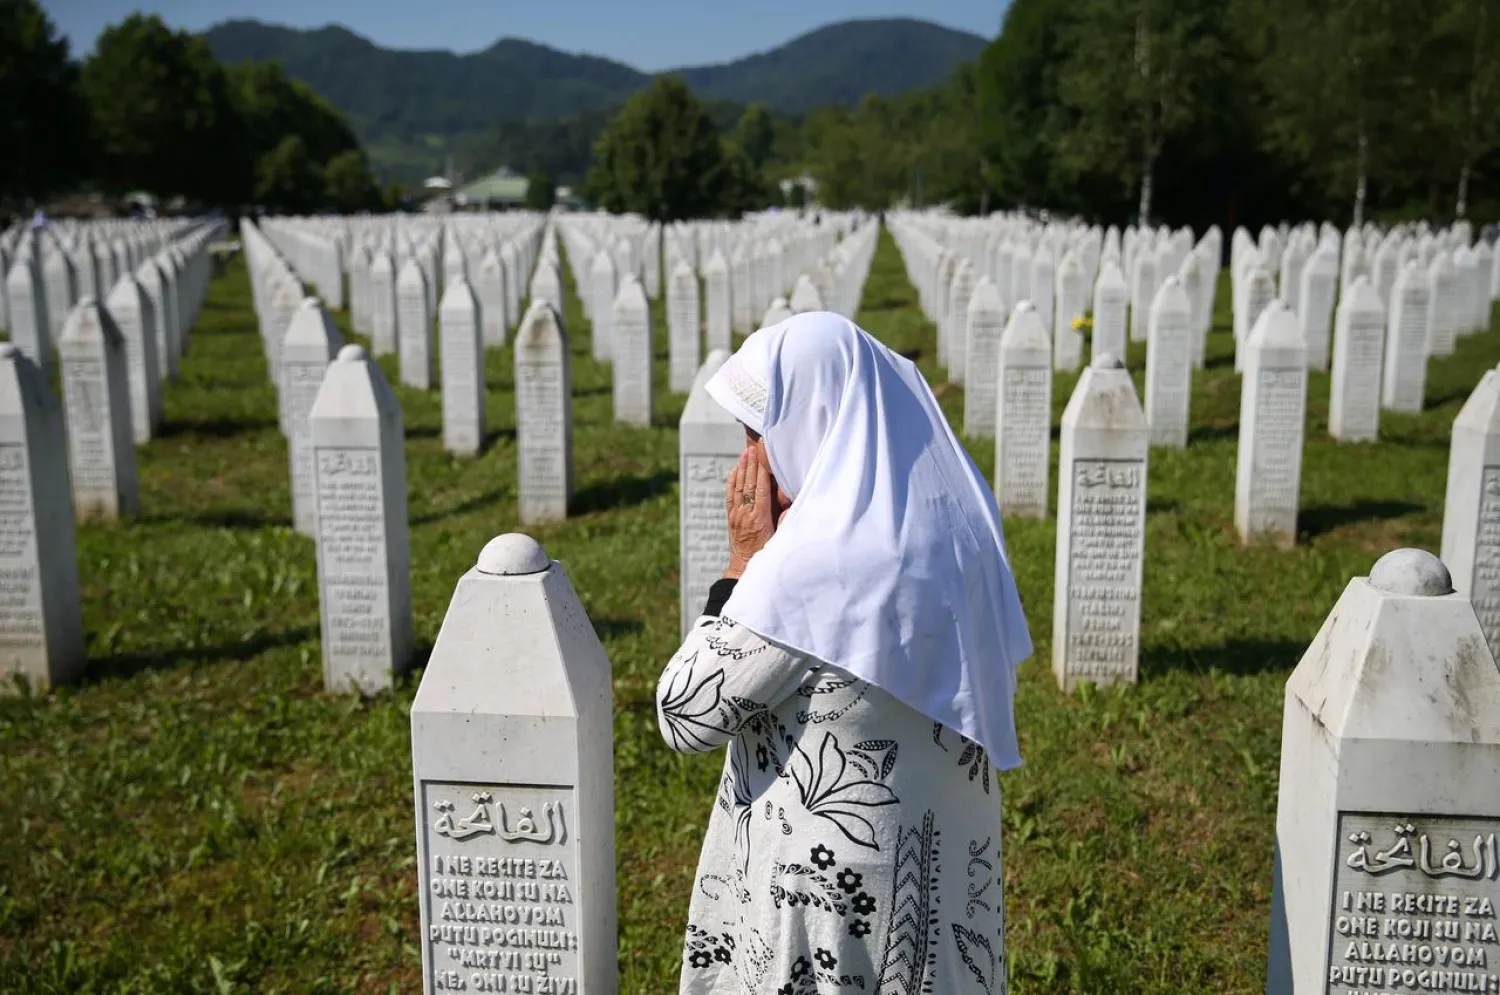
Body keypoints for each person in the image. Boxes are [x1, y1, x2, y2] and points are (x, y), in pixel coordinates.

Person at [655, 311, 1033, 995]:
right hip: (939, 873)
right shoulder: (957, 517)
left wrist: (741, 567)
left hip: (826, 895)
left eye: (757, 435)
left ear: (812, 418)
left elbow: (684, 711)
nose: (750, 462)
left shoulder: (808, 566)